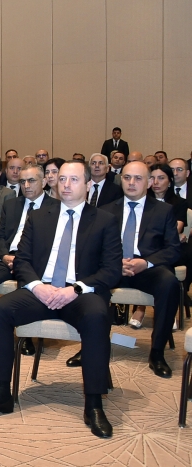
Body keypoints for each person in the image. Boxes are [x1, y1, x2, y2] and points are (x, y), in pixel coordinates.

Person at [0, 161, 122, 439]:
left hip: (80, 292)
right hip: (41, 290)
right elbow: (23, 260)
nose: (66, 185)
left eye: (74, 180)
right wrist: (38, 287)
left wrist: (75, 289)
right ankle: (1, 394)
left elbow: (111, 269)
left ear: (88, 184)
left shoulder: (104, 220)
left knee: (98, 316)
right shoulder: (39, 217)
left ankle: (94, 404)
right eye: (62, 179)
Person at [62, 161, 182, 378]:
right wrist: (114, 263)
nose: (131, 182)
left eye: (138, 178)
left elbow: (173, 250)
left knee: (169, 283)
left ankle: (157, 352)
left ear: (149, 182)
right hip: (112, 267)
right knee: (90, 280)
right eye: (127, 177)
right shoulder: (106, 210)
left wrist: (145, 262)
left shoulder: (164, 211)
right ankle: (90, 346)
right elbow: (92, 247)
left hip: (147, 269)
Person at [0, 164, 60, 352]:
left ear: (44, 182)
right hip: (8, 258)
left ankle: (26, 336)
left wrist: (23, 261)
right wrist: (4, 256)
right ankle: (0, 324)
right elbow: (0, 236)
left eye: (31, 180)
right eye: (23, 181)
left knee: (26, 289)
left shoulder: (56, 207)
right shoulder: (12, 205)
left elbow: (53, 243)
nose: (26, 185)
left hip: (35, 263)